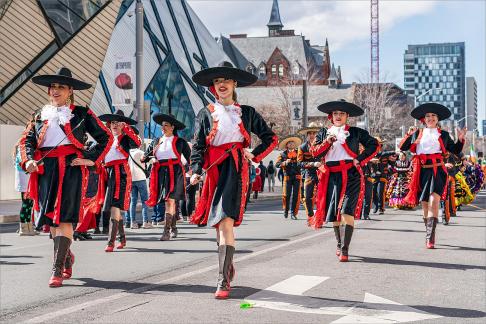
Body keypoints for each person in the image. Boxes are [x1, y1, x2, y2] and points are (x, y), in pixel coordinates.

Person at [190, 61, 277, 299]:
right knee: (218, 223)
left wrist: (254, 154)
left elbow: (270, 138)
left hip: (236, 169)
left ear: (234, 83)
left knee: (225, 219)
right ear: (213, 87)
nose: (221, 85)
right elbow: (197, 146)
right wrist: (195, 170)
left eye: (226, 81)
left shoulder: (246, 112)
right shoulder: (205, 113)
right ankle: (226, 265)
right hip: (213, 170)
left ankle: (222, 280)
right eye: (217, 82)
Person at [19, 67, 112, 287]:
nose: (56, 90)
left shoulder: (81, 113)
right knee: (52, 220)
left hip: (71, 168)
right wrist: (29, 160)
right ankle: (67, 255)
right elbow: (27, 141)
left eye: (61, 87)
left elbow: (105, 138)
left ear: (70, 90)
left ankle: (57, 268)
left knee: (65, 217)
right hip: (46, 170)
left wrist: (90, 158)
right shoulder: (39, 115)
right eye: (53, 87)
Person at [310, 99, 379, 262]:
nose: (338, 116)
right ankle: (340, 244)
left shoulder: (355, 132)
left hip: (351, 174)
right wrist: (327, 142)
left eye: (342, 113)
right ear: (331, 116)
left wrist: (360, 159)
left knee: (346, 211)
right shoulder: (323, 133)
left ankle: (345, 250)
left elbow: (374, 145)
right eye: (335, 113)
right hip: (331, 176)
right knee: (334, 214)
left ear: (347, 116)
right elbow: (314, 153)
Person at [399, 103, 465, 249]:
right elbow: (402, 148)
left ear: (437, 119)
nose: (430, 118)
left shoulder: (444, 135)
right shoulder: (418, 133)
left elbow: (454, 149)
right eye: (428, 116)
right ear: (424, 119)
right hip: (421, 171)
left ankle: (430, 238)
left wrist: (460, 140)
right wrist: (410, 135)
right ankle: (428, 230)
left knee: (434, 201)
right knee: (424, 205)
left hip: (438, 171)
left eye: (433, 116)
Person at [98, 110, 142, 252]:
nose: (114, 125)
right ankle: (122, 238)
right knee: (112, 207)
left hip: (121, 173)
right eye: (112, 123)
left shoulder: (124, 138)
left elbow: (137, 143)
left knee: (114, 206)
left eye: (117, 123)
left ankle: (111, 242)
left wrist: (127, 128)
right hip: (108, 173)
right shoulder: (107, 139)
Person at [142, 113, 191, 240]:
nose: (162, 128)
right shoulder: (156, 141)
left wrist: (193, 172)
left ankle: (166, 232)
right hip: (160, 173)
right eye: (162, 126)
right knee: (169, 201)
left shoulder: (180, 141)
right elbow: (144, 157)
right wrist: (150, 159)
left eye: (166, 125)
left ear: (172, 127)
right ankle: (174, 227)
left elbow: (191, 158)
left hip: (176, 172)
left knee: (170, 200)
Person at [297, 122, 321, 224]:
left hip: (321, 173)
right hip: (309, 174)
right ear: (307, 135)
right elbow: (299, 163)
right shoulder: (302, 147)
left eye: (314, 133)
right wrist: (312, 164)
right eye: (310, 133)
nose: (312, 135)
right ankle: (310, 217)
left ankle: (319, 218)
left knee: (321, 197)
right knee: (307, 197)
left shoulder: (321, 145)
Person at [276, 135, 303, 219]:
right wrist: (284, 163)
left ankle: (293, 213)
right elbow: (277, 164)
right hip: (287, 177)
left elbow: (303, 162)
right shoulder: (282, 154)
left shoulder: (299, 153)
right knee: (286, 195)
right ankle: (286, 210)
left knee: (296, 196)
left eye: (293, 143)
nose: (291, 144)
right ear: (287, 145)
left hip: (297, 177)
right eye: (289, 143)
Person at [13, 138, 36, 235]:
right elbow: (21, 165)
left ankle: (29, 226)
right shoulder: (21, 149)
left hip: (28, 179)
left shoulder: (24, 148)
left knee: (30, 204)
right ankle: (23, 227)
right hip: (24, 179)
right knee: (26, 203)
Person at [127, 146, 151, 229]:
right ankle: (145, 222)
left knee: (132, 201)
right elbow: (150, 160)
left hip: (131, 179)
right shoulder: (140, 152)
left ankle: (132, 222)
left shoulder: (128, 152)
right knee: (145, 201)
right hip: (141, 178)